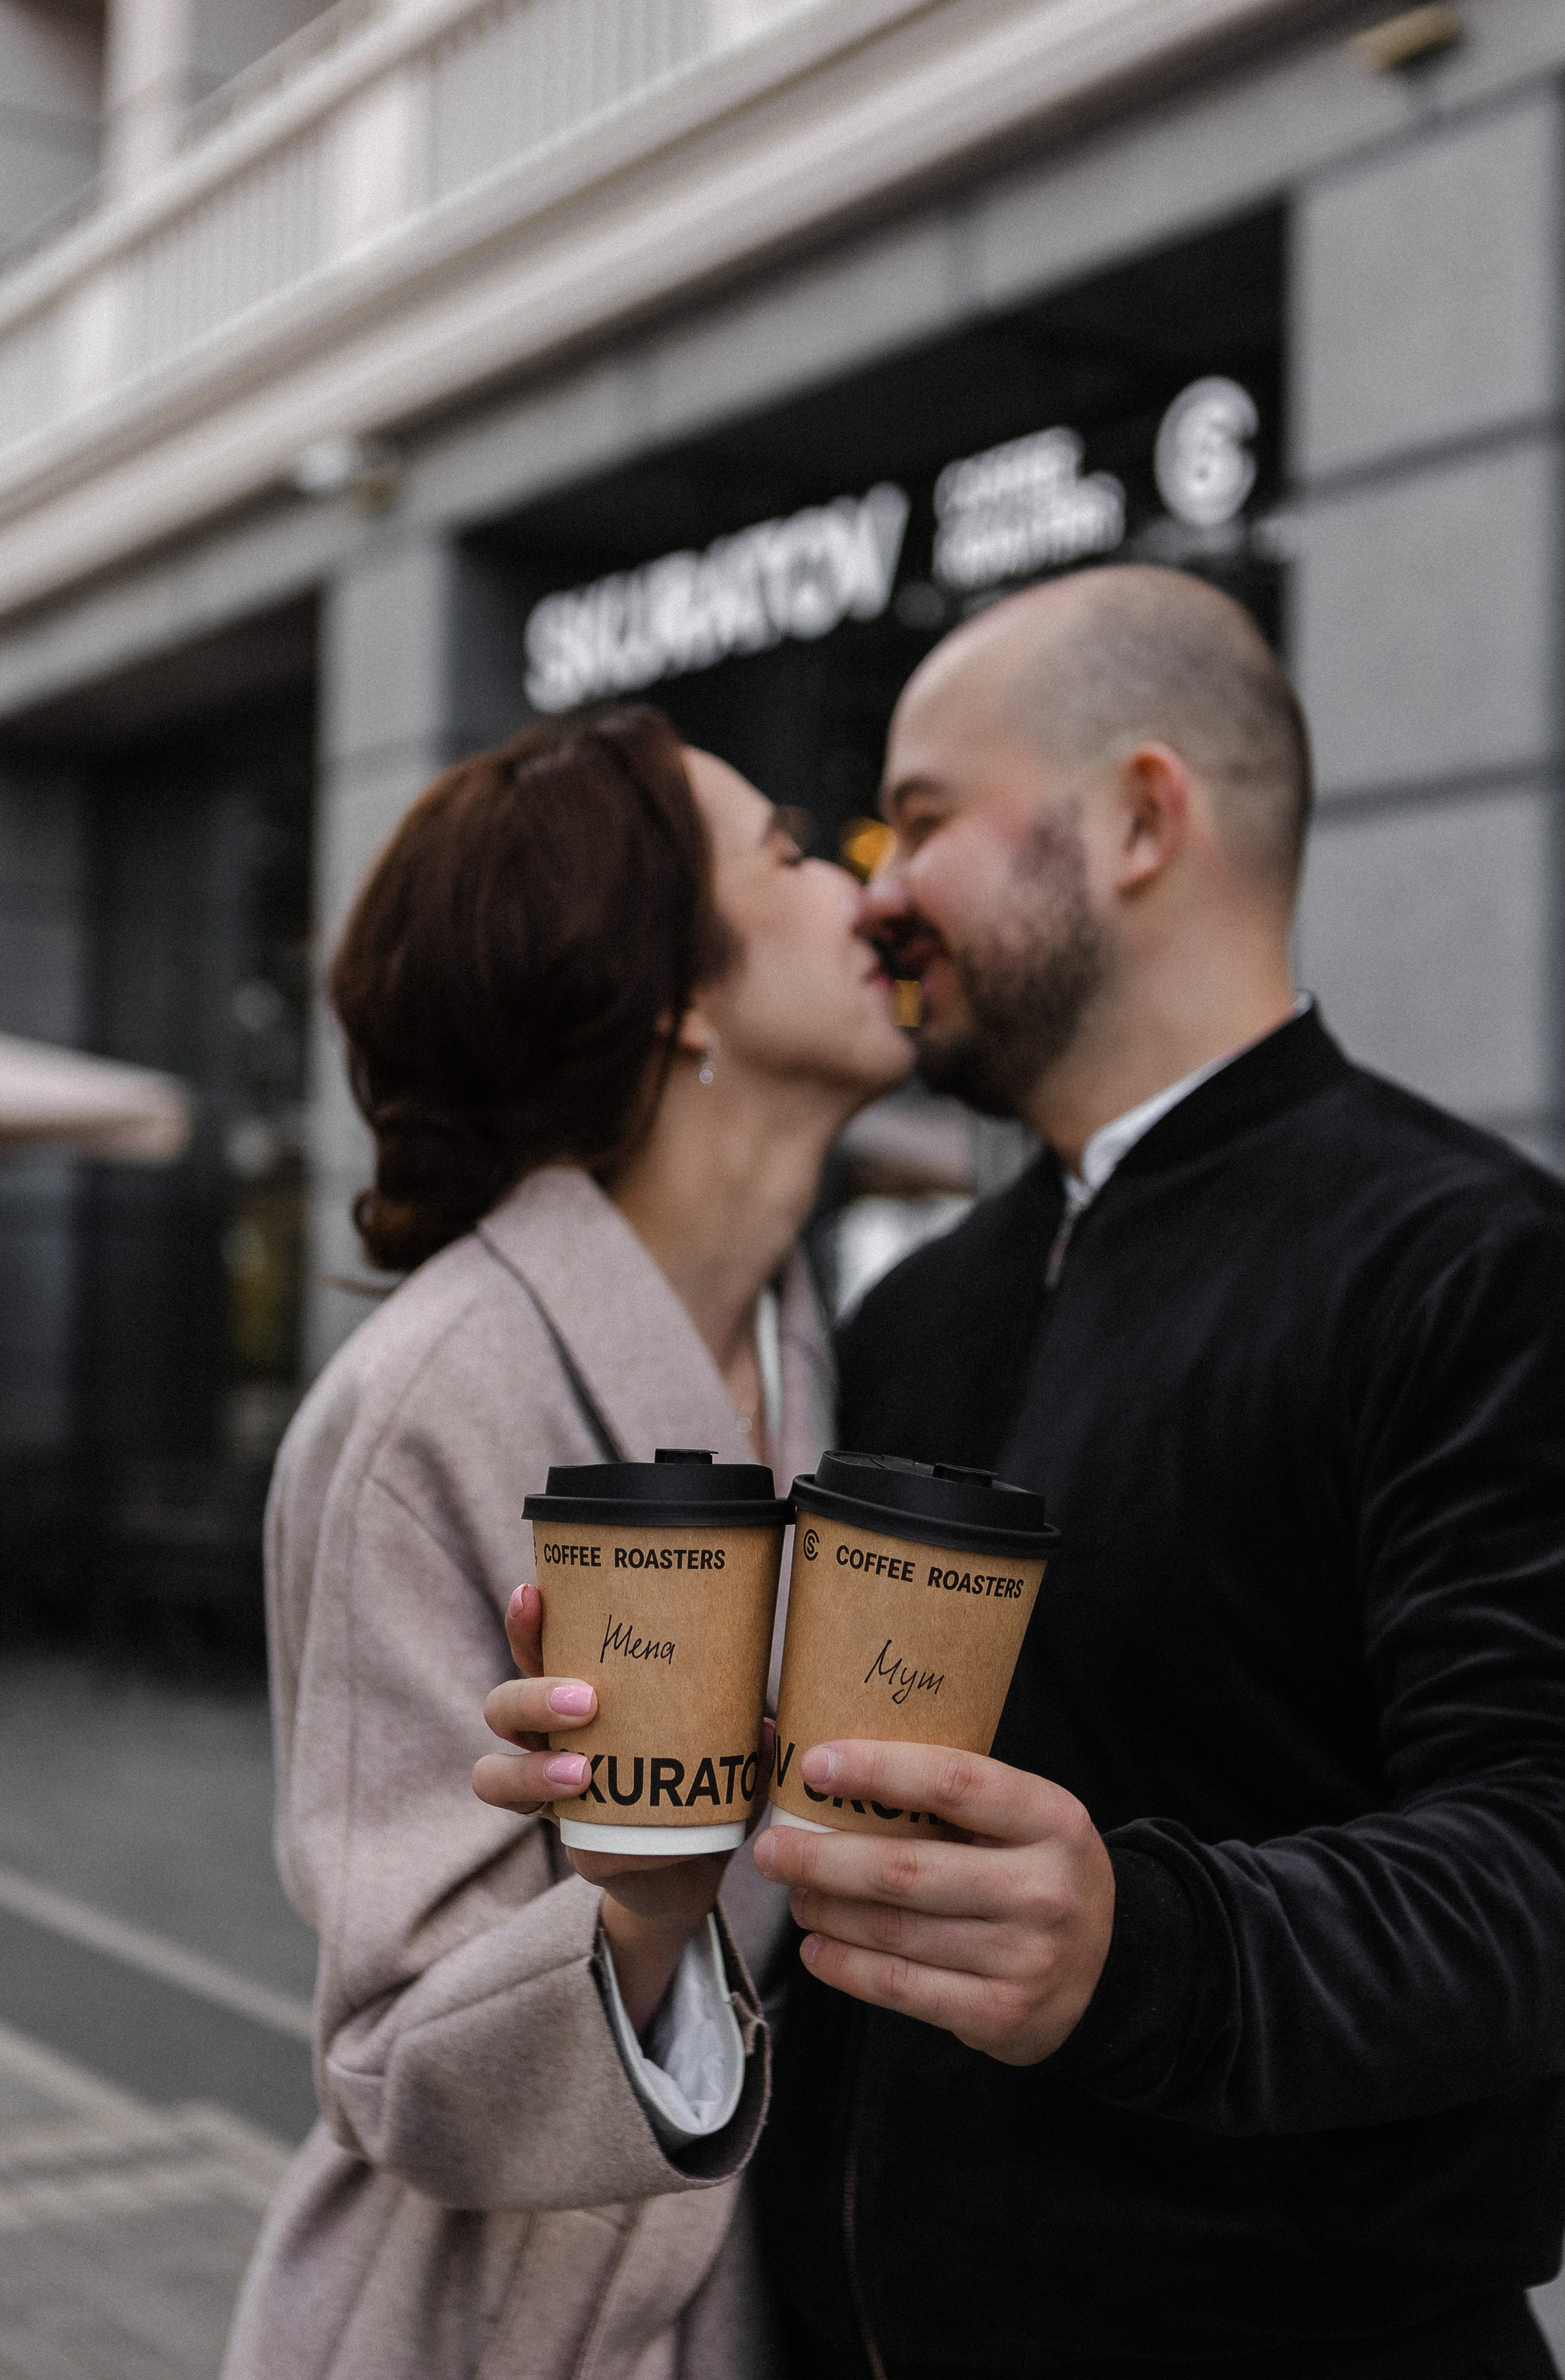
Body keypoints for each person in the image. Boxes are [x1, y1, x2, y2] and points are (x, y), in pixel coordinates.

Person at [751, 565, 1565, 2378]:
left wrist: (1143, 1951)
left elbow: (1551, 1855)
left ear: (1141, 819)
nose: (877, 891)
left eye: (925, 819)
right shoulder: (916, 1308)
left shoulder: (1472, 1263)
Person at [223, 706, 911, 2380]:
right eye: (791, 854)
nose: (864, 886)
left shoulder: (814, 1346)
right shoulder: (427, 1403)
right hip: (484, 2328)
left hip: (771, 2291)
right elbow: (395, 2064)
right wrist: (644, 1903)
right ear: (678, 997)